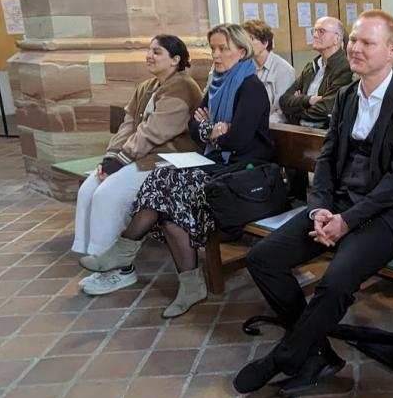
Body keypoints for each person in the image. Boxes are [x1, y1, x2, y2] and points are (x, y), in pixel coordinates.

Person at [236, 12, 393, 396]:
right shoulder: (346, 96)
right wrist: (321, 209)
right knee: (263, 257)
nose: (355, 48)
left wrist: (346, 221)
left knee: (335, 283)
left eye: (367, 42)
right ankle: (316, 354)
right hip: (339, 205)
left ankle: (285, 356)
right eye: (354, 40)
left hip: (389, 216)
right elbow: (327, 159)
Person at [78, 24, 274, 316]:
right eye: (213, 48)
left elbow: (239, 138)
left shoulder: (251, 87)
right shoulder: (216, 83)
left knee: (167, 198)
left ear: (242, 52)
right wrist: (212, 130)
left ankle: (129, 252)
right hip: (216, 163)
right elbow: (196, 130)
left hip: (244, 171)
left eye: (223, 49)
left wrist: (209, 130)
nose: (215, 55)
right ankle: (180, 281)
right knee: (166, 194)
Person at [71, 35, 202, 258]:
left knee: (107, 194)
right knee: (87, 190)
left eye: (157, 52)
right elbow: (128, 124)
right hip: (137, 156)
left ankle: (115, 264)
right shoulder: (146, 87)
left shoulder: (183, 86)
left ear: (175, 59)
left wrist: (119, 163)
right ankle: (92, 255)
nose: (149, 56)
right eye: (149, 50)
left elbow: (153, 131)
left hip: (167, 159)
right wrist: (110, 159)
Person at [278, 16, 352, 128]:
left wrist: (296, 109)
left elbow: (326, 109)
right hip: (301, 131)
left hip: (325, 135)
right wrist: (309, 100)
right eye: (314, 31)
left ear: (336, 39)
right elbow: (284, 100)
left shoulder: (345, 68)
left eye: (321, 31)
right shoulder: (311, 67)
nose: (315, 35)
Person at [242, 19, 296, 122]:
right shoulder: (246, 67)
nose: (246, 44)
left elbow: (282, 112)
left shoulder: (283, 70)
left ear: (265, 42)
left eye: (251, 39)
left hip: (273, 129)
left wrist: (257, 126)